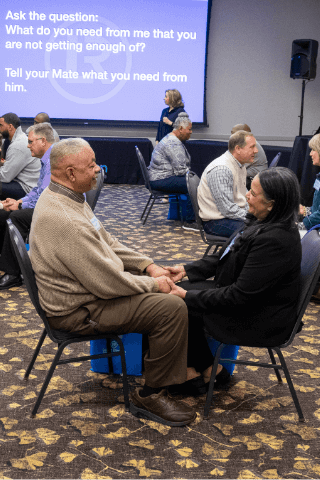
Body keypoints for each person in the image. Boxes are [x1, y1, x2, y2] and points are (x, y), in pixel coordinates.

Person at [29, 138, 198, 427]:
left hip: (89, 295)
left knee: (163, 288)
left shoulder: (68, 197)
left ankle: (174, 371)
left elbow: (107, 241)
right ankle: (151, 394)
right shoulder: (65, 218)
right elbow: (107, 283)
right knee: (169, 308)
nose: (97, 169)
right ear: (70, 173)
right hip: (78, 312)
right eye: (91, 165)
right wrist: (154, 284)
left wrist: (148, 265)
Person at [165, 168, 302, 396]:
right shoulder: (263, 223)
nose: (247, 195)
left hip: (259, 316)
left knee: (178, 304)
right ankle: (211, 369)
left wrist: (187, 296)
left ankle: (192, 373)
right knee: (179, 295)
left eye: (254, 193)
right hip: (248, 299)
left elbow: (239, 296)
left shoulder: (275, 240)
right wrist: (186, 270)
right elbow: (226, 255)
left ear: (271, 203)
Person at [0, 123, 55, 291]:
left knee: (16, 218)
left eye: (31, 141)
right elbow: (38, 190)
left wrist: (21, 205)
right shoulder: (46, 158)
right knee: (13, 211)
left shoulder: (53, 160)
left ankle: (13, 274)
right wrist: (19, 202)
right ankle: (7, 256)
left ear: (43, 141)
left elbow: (44, 196)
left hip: (57, 211)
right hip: (50, 205)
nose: (28, 145)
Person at [197, 130, 258, 237]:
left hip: (230, 216)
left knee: (266, 226)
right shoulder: (222, 169)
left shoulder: (240, 165)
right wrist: (254, 217)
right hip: (216, 222)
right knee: (260, 231)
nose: (256, 150)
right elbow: (227, 209)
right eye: (252, 147)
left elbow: (244, 196)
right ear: (238, 149)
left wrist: (257, 212)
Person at [148, 115, 194, 226]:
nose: (191, 132)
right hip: (160, 179)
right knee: (192, 184)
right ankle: (191, 221)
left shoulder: (170, 138)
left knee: (191, 181)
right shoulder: (173, 143)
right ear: (181, 129)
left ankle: (180, 216)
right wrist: (195, 177)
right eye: (189, 129)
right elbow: (181, 171)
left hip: (157, 177)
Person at [0, 112, 40, 200]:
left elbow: (5, 177)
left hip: (27, 188)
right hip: (25, 183)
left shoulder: (18, 145)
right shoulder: (20, 139)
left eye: (1, 125)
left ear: (10, 127)